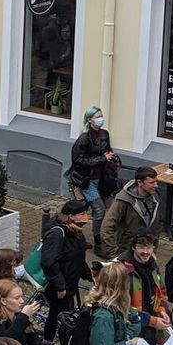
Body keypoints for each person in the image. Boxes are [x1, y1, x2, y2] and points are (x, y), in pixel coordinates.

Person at [86, 262, 143, 345]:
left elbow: (135, 320)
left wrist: (127, 335)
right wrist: (130, 344)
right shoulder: (104, 317)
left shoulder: (119, 305)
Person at [41, 200, 92, 342]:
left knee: (60, 314)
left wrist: (92, 275)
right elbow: (48, 262)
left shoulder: (76, 231)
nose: (86, 216)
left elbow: (77, 259)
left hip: (69, 283)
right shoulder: (58, 234)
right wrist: (60, 286)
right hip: (58, 287)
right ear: (70, 216)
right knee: (59, 316)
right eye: (82, 214)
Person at [69, 105, 120, 248]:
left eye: (101, 116)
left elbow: (107, 151)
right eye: (97, 117)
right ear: (90, 120)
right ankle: (96, 239)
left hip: (102, 179)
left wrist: (111, 156)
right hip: (85, 181)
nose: (101, 119)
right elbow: (78, 161)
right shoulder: (83, 139)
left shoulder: (104, 134)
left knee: (85, 212)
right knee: (99, 210)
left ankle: (76, 234)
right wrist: (102, 159)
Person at [117, 230, 173, 345]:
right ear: (133, 247)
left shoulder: (153, 265)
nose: (146, 252)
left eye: (149, 248)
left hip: (151, 326)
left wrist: (162, 310)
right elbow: (121, 306)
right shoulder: (122, 269)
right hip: (131, 327)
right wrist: (152, 321)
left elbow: (161, 291)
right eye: (141, 248)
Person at [100, 166, 163, 259]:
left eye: (156, 182)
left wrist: (153, 249)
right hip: (127, 251)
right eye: (152, 182)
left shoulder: (155, 196)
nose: (156, 185)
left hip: (146, 251)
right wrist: (114, 255)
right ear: (140, 182)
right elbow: (106, 228)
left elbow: (158, 224)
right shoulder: (123, 200)